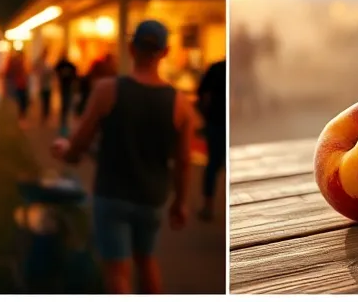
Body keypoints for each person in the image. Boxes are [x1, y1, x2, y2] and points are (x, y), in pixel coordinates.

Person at [50, 21, 195, 294]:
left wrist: (64, 151)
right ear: (165, 52)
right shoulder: (181, 103)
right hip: (152, 198)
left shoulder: (107, 90)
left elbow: (79, 143)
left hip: (112, 194)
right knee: (146, 260)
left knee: (117, 272)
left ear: (131, 48)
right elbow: (184, 162)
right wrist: (180, 203)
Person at [196, 59, 226, 222]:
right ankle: (210, 204)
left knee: (213, 165)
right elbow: (202, 92)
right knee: (215, 165)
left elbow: (201, 92)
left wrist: (205, 115)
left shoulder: (216, 68)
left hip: (215, 123)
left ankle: (209, 205)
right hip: (216, 123)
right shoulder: (217, 68)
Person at [54, 53, 79, 132]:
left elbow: (75, 73)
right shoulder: (63, 65)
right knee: (65, 105)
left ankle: (65, 125)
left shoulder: (68, 65)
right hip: (65, 87)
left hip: (68, 87)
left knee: (66, 105)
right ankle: (64, 125)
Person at [6, 49, 31, 123]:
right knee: (20, 100)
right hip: (18, 84)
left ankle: (23, 116)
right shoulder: (16, 63)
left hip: (24, 85)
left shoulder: (26, 64)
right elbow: (9, 72)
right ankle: (21, 116)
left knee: (24, 101)